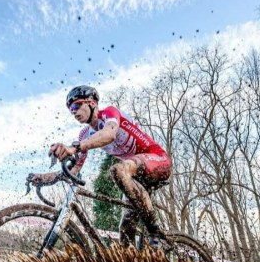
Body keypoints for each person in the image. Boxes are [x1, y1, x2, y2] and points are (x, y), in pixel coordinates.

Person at [30, 85, 171, 247]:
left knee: (118, 170)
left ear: (92, 103)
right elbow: (74, 170)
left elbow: (108, 134)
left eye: (76, 106)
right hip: (135, 175)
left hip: (158, 160)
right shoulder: (84, 135)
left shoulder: (109, 113)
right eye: (71, 110)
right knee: (125, 231)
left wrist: (73, 147)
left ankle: (156, 233)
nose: (74, 112)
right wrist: (44, 178)